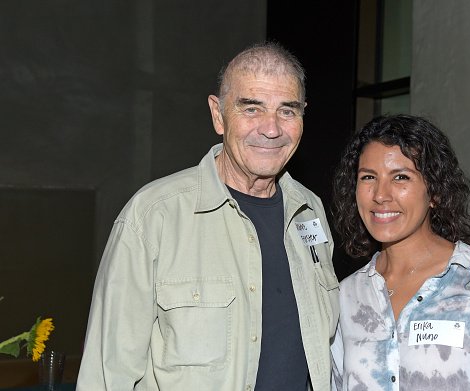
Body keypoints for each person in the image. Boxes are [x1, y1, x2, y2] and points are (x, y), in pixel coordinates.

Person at [76, 42, 340, 390]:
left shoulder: (311, 211)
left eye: (287, 111)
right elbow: (107, 376)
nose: (271, 128)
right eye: (252, 109)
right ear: (218, 115)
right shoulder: (153, 217)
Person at [329, 114, 470, 390]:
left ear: (434, 191)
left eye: (401, 177)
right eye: (368, 177)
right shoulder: (346, 296)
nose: (380, 194)